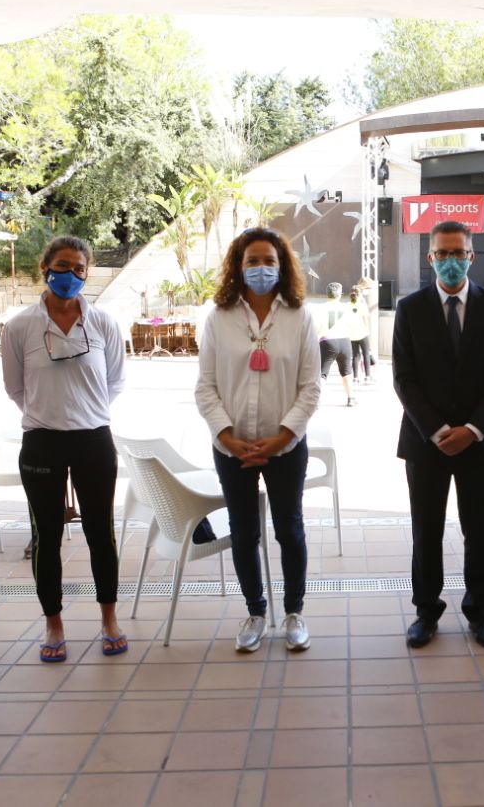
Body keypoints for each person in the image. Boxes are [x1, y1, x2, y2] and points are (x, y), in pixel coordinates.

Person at [1, 236, 128, 664]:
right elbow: (15, 388)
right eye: (62, 265)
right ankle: (53, 623)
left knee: (100, 532)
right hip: (42, 441)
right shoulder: (20, 326)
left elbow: (115, 382)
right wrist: (50, 414)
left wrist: (84, 413)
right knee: (46, 536)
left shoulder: (104, 323)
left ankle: (109, 618)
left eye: (78, 268)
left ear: (86, 273)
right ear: (44, 268)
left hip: (94, 438)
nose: (70, 275)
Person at [196, 227, 320, 653]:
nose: (262, 268)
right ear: (238, 266)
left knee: (290, 530)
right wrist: (228, 439)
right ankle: (255, 611)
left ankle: (294, 613)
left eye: (270, 261)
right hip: (231, 448)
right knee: (244, 531)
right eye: (253, 261)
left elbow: (310, 388)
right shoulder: (218, 317)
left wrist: (281, 437)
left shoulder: (300, 316)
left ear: (282, 266)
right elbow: (205, 387)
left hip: (285, 447)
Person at [394, 220, 484, 649]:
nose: (449, 261)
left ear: (471, 256)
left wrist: (473, 430)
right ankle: (426, 612)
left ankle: (480, 612)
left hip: (479, 445)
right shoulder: (409, 309)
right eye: (441, 254)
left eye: (457, 253)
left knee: (478, 530)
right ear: (430, 259)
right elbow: (404, 380)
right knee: (426, 529)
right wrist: (440, 430)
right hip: (426, 443)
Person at [315, 282, 356, 406]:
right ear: (340, 295)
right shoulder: (346, 307)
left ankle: (317, 400)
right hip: (344, 340)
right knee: (347, 371)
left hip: (327, 341)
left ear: (327, 294)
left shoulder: (321, 308)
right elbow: (351, 324)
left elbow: (316, 327)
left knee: (322, 373)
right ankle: (351, 398)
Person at [347, 287, 375, 384]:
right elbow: (366, 320)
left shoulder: (347, 306)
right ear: (360, 295)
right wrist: (368, 331)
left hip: (352, 334)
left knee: (355, 355)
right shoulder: (362, 305)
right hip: (363, 333)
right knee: (366, 354)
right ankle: (367, 377)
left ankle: (355, 378)